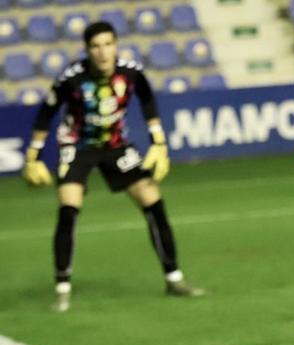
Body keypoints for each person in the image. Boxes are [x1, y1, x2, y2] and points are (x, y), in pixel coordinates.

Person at [21, 21, 203, 312]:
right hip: (76, 146)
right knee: (69, 209)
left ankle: (174, 278)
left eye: (108, 44)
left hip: (116, 145)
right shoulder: (72, 78)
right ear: (87, 50)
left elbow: (147, 100)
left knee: (153, 201)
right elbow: (46, 113)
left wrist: (159, 141)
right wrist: (33, 156)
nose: (103, 52)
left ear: (116, 45)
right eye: (96, 46)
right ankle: (62, 287)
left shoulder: (131, 72)